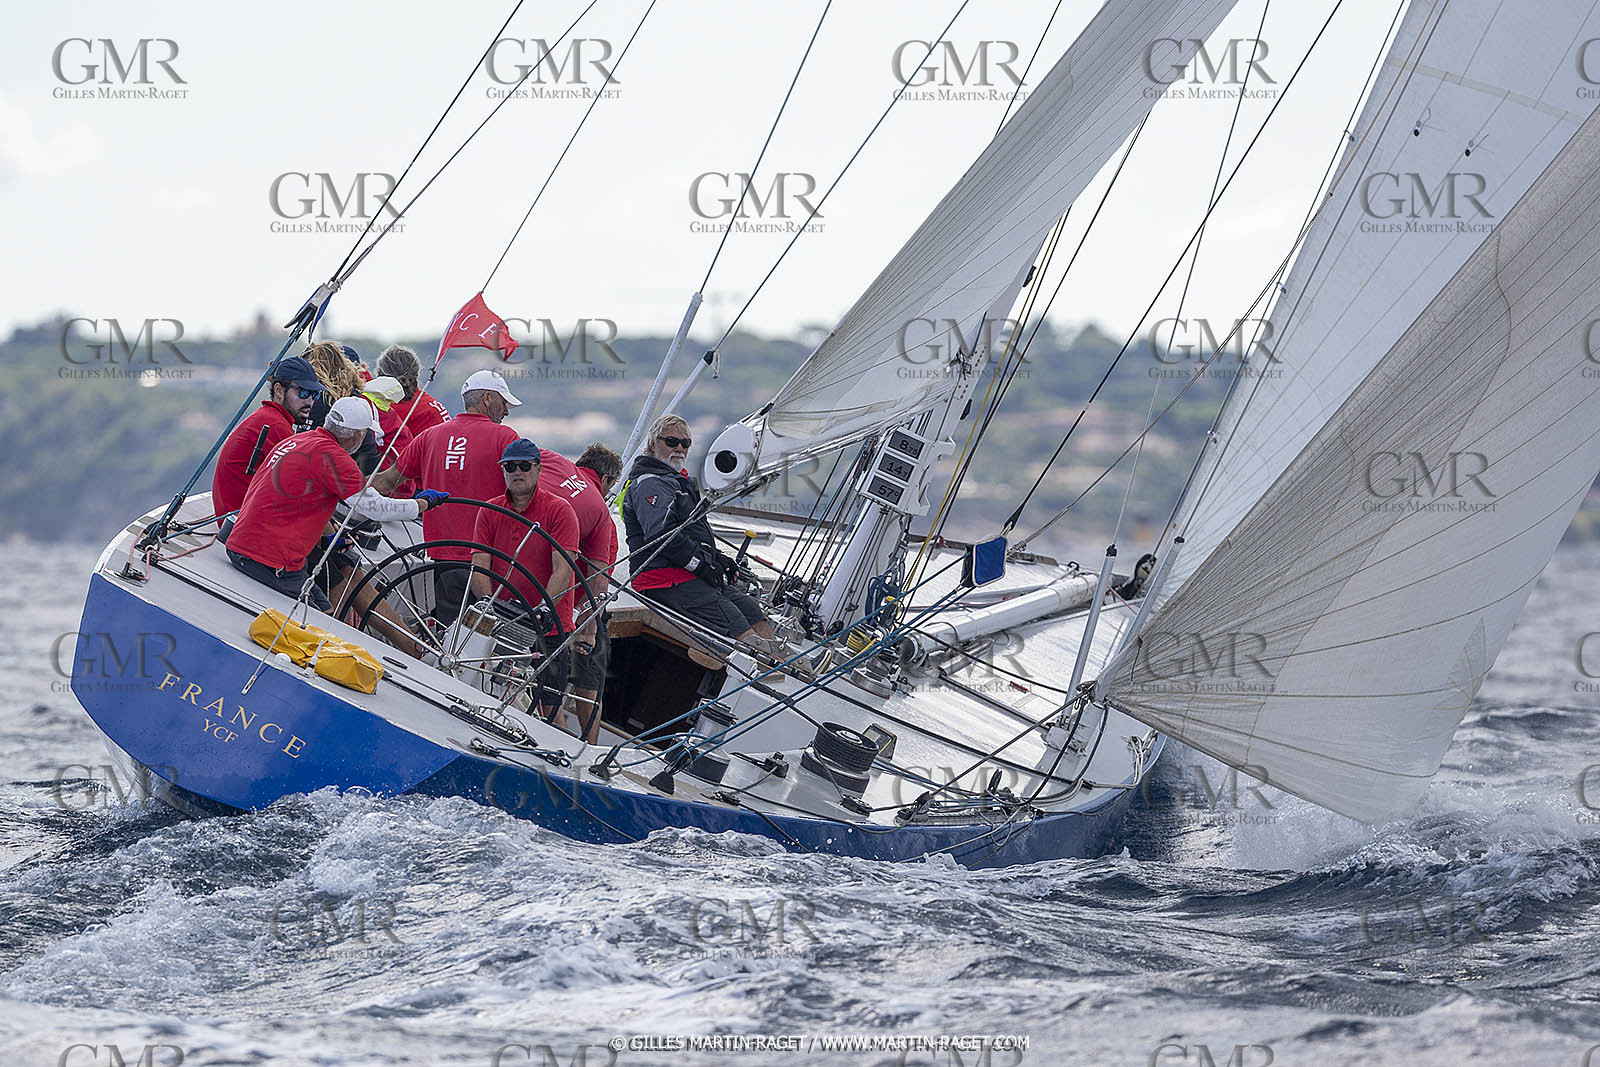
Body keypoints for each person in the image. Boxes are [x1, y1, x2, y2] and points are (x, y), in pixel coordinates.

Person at [225, 398, 447, 619]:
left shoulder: (299, 440)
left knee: (326, 610)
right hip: (266, 559)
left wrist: (326, 536)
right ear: (357, 436)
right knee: (317, 623)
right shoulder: (334, 457)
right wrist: (422, 504)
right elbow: (376, 508)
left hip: (242, 544)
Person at [369, 369, 521, 622]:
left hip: (441, 556)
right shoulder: (505, 438)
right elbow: (525, 494)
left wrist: (342, 490)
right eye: (504, 403)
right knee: (492, 634)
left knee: (449, 633)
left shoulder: (429, 437)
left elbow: (385, 483)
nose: (506, 411)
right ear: (487, 399)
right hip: (492, 558)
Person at [621, 414, 773, 646]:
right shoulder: (649, 483)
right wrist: (702, 567)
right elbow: (662, 537)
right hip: (661, 578)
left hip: (687, 574)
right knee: (734, 621)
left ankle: (788, 663)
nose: (679, 448)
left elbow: (694, 532)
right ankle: (768, 666)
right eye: (671, 441)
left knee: (752, 612)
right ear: (653, 444)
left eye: (685, 443)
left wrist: (718, 559)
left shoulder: (678, 482)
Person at [468, 440, 579, 720]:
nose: (517, 472)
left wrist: (543, 610)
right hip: (500, 619)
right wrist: (485, 606)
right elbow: (480, 565)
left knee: (548, 705)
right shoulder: (490, 510)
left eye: (524, 466)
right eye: (510, 466)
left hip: (548, 626)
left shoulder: (559, 510)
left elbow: (563, 569)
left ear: (538, 469)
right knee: (482, 686)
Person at [539, 442, 622, 742]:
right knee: (587, 681)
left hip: (538, 597)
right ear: (608, 481)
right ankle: (588, 749)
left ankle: (554, 740)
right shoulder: (602, 517)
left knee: (549, 687)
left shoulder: (555, 471)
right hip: (575, 612)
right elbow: (599, 580)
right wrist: (587, 629)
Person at [211, 355, 325, 519]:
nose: (310, 402)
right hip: (240, 522)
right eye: (304, 392)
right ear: (279, 390)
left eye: (315, 395)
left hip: (236, 516)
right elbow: (299, 489)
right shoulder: (275, 426)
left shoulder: (269, 417)